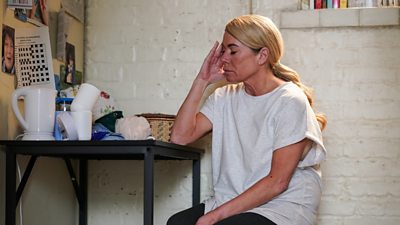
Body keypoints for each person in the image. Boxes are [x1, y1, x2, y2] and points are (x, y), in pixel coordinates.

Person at [167, 14, 327, 225]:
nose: (224, 58)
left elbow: (277, 182)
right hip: (233, 199)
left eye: (233, 51)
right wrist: (202, 80)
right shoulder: (224, 97)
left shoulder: (290, 101)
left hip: (282, 205)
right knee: (176, 223)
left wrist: (212, 217)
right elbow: (179, 137)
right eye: (223, 51)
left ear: (262, 56)